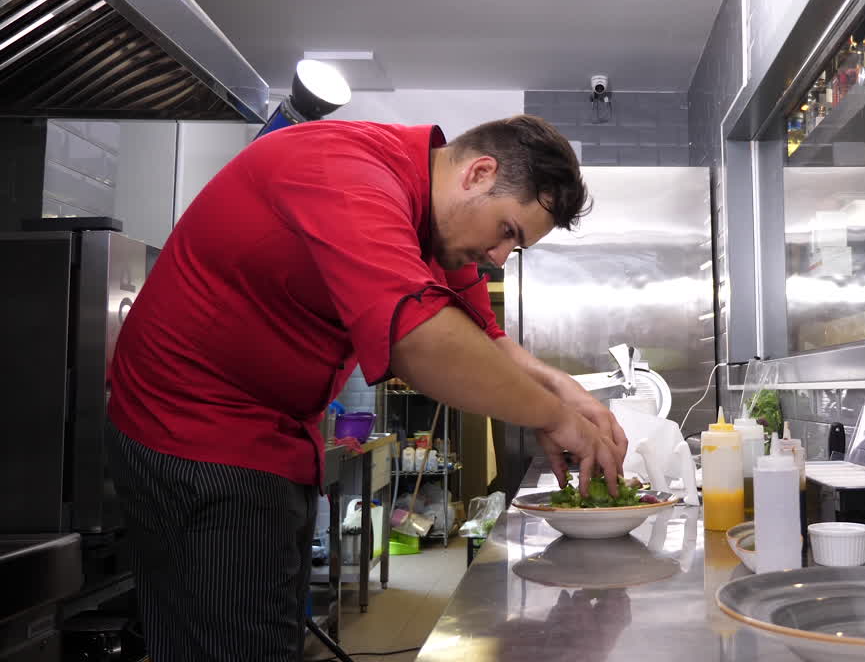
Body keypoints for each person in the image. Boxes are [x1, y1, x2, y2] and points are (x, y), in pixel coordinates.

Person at [105, 115, 628, 662]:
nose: (498, 258)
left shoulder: (432, 220)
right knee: (229, 646)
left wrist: (570, 394)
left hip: (273, 435)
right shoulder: (350, 176)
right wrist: (551, 417)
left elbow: (487, 339)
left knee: (266, 635)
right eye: (507, 232)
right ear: (478, 173)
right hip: (196, 433)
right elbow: (423, 343)